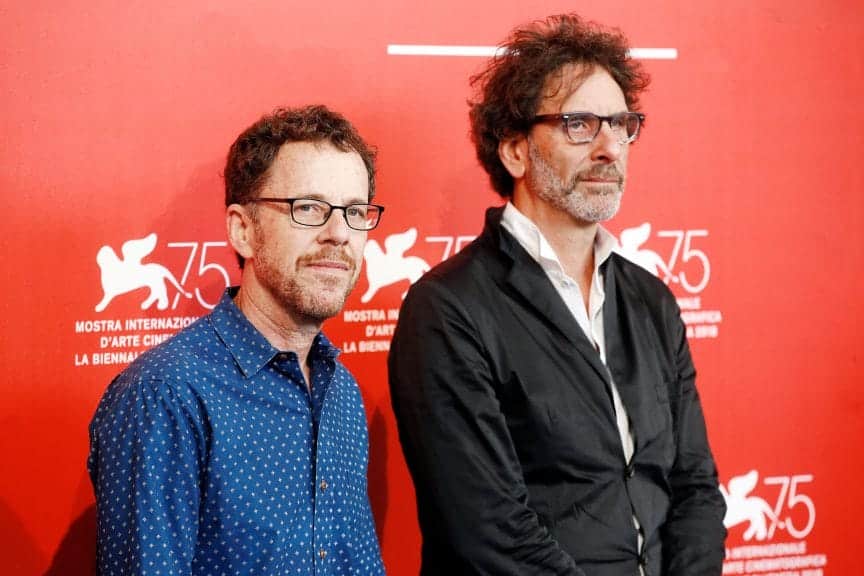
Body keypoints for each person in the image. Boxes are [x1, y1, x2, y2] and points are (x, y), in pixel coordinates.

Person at [388, 14, 726, 576]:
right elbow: (491, 535)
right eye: (578, 124)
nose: (608, 147)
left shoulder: (652, 302)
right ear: (515, 151)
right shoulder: (447, 310)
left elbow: (694, 487)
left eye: (620, 125)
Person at [88, 105, 386, 575]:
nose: (339, 235)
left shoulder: (341, 391)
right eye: (308, 208)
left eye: (353, 211)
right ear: (242, 230)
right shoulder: (167, 394)